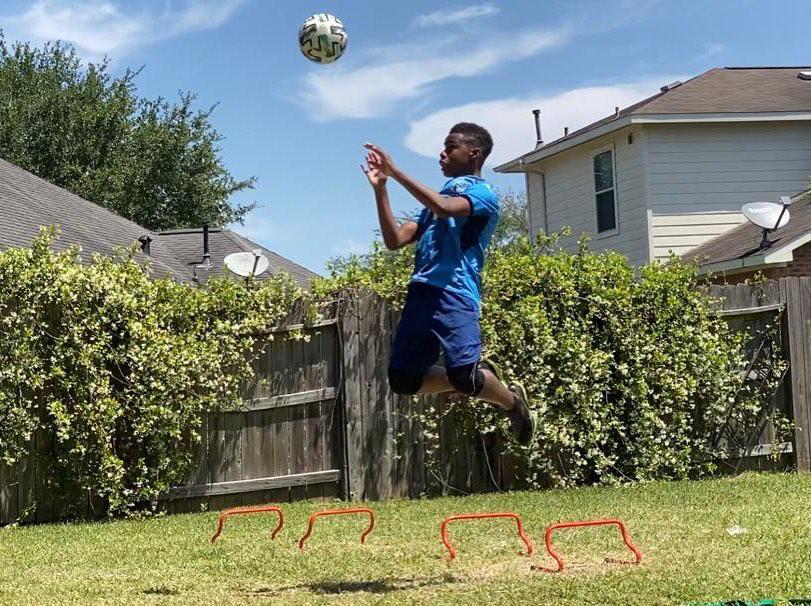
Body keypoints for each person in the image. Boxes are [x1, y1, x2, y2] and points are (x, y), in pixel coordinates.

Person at [361, 122, 536, 445]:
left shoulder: (483, 194)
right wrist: (381, 188)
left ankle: (512, 403)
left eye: (450, 146)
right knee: (403, 380)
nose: (442, 153)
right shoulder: (435, 202)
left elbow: (444, 209)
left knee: (465, 378)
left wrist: (396, 171)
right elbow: (395, 239)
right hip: (421, 294)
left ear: (474, 153)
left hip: (455, 294)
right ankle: (481, 377)